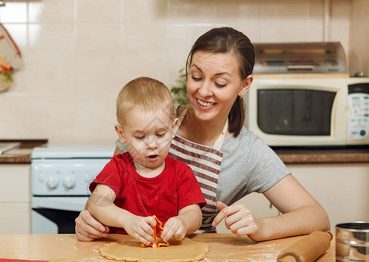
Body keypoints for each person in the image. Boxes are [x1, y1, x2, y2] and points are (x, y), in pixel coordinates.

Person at [77, 27, 330, 242]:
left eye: (219, 83)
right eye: (196, 76)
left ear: (244, 85)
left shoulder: (247, 151)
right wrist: (88, 221)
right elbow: (105, 197)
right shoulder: (149, 121)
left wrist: (261, 227)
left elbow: (317, 216)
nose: (204, 91)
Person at [86, 76, 206, 246]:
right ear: (122, 135)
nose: (152, 145)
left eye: (160, 134)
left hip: (169, 256)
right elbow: (96, 203)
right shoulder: (118, 168)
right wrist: (126, 220)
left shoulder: (181, 172)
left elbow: (194, 214)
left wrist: (183, 223)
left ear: (173, 128)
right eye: (140, 137)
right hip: (122, 253)